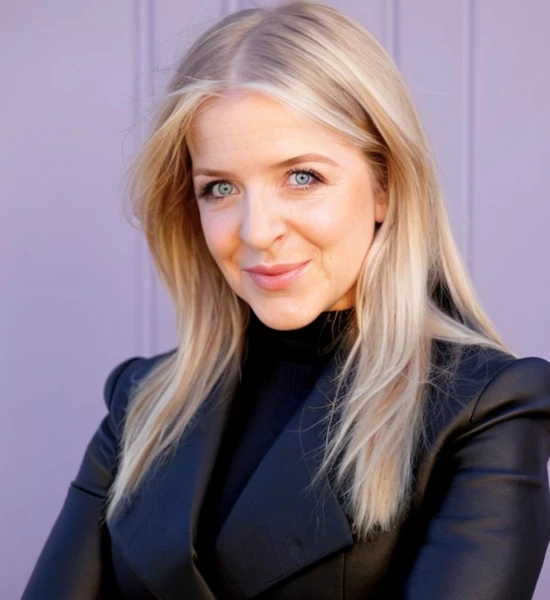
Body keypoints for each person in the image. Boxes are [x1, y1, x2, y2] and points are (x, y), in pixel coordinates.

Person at [22, 1, 550, 599]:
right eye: (220, 187)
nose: (255, 231)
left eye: (302, 177)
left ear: (384, 185)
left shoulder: (482, 409)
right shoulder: (142, 405)